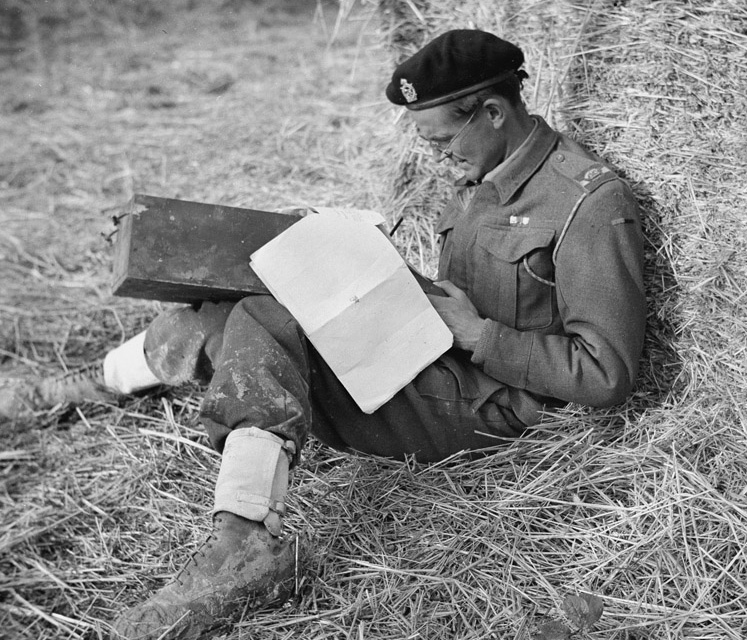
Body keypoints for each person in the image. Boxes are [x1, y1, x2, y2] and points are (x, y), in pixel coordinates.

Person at [0, 29, 646, 640]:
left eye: (443, 139)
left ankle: (245, 542)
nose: (437, 155)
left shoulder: (586, 204)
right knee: (253, 287)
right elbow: (467, 295)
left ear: (495, 113)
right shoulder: (485, 171)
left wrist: (479, 334)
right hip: (432, 352)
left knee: (265, 321)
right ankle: (98, 385)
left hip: (493, 402)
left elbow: (605, 374)